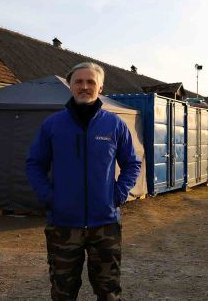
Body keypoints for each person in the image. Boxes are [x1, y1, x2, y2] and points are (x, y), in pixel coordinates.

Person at [26, 62, 142, 301]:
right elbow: (35, 164)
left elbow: (132, 163)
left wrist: (118, 194)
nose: (84, 86)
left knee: (108, 291)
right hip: (63, 224)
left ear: (100, 87)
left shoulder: (114, 124)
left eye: (90, 82)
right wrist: (50, 198)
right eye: (78, 81)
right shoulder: (53, 125)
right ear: (70, 86)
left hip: (105, 224)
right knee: (62, 291)